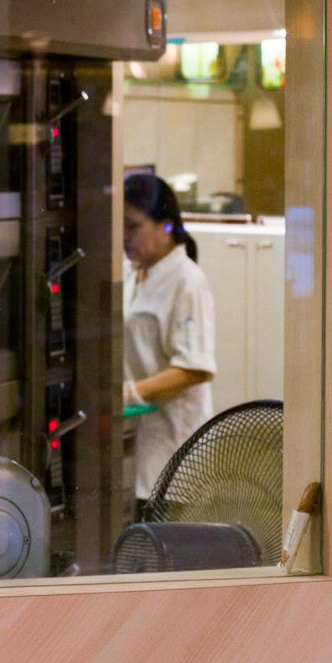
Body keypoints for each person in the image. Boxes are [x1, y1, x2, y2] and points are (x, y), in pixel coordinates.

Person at [122, 171, 217, 508]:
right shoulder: (133, 273)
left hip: (174, 439)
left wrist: (132, 393)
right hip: (140, 441)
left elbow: (194, 369)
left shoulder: (187, 281)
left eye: (132, 227)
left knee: (166, 540)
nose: (124, 237)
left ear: (164, 226)